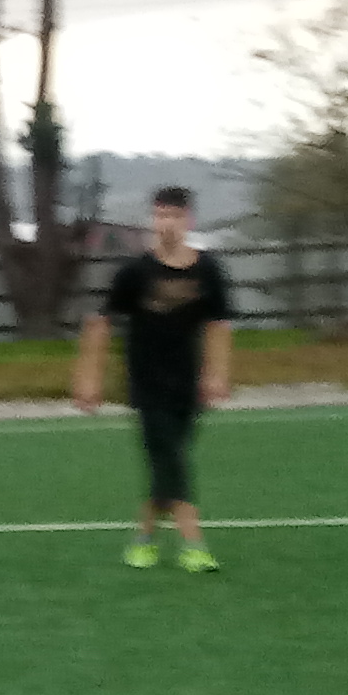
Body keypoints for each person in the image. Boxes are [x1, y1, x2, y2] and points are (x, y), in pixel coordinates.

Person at [73, 187, 237, 572]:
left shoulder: (208, 270)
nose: (167, 224)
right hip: (146, 382)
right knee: (170, 458)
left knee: (168, 462)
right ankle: (194, 545)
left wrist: (217, 374)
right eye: (161, 216)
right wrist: (89, 379)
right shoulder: (134, 273)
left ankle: (144, 539)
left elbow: (219, 325)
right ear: (152, 219)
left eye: (175, 216)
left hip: (188, 381)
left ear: (188, 220)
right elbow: (100, 324)